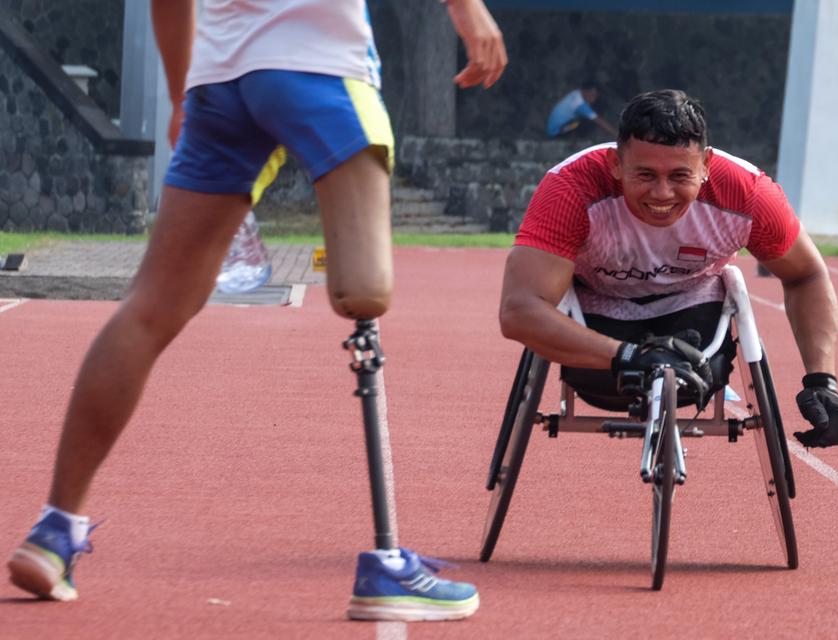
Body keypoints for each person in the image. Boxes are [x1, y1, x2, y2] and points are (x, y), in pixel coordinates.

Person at [7, 0, 507, 623]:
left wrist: (182, 93)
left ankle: (56, 528)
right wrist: (469, 12)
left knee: (147, 309)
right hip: (319, 68)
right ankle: (385, 563)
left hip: (221, 82)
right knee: (364, 293)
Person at [501, 89, 838, 449]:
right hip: (598, 318)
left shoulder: (746, 194)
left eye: (680, 176)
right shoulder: (570, 189)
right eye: (645, 175)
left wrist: (823, 380)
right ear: (615, 165)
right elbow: (519, 310)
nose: (662, 193)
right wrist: (627, 355)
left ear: (706, 167)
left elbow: (806, 274)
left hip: (693, 312)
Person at [546, 81, 617, 138]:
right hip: (557, 132)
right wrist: (616, 135)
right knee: (585, 122)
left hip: (556, 129)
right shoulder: (580, 104)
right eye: (591, 95)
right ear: (584, 91)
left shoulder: (576, 93)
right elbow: (599, 121)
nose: (593, 99)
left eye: (595, 96)